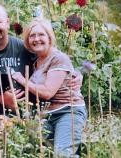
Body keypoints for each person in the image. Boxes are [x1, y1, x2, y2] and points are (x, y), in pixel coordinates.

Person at [0, 3, 83, 132]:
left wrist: (76, 73)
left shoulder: (24, 48)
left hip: (11, 111)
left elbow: (52, 59)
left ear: (7, 22)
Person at [12, 18, 87, 157]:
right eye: (32, 36)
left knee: (62, 154)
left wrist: (22, 80)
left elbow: (47, 92)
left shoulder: (58, 58)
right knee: (29, 148)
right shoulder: (36, 60)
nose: (36, 39)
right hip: (46, 115)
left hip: (67, 111)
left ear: (49, 37)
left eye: (41, 35)